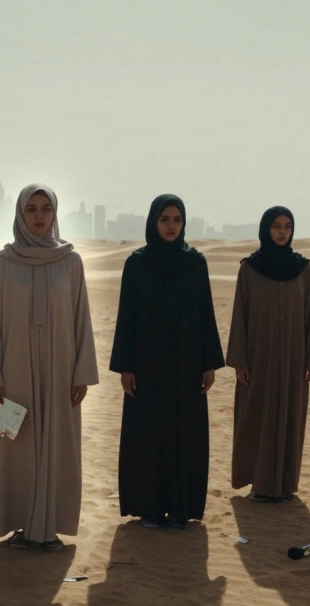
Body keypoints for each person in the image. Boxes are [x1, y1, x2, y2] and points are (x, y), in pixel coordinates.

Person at [0, 184, 98, 551]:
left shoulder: (70, 261)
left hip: (60, 370)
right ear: (20, 213)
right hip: (13, 371)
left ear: (55, 213)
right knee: (15, 443)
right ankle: (17, 524)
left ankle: (51, 527)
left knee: (58, 443)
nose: (39, 215)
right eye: (31, 209)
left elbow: (81, 320)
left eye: (46, 208)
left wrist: (81, 373)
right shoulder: (4, 261)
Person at [109, 194, 223, 529]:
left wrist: (209, 363)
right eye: (164, 220)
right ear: (153, 222)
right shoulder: (137, 263)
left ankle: (181, 508)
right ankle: (150, 508)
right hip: (148, 364)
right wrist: (126, 366)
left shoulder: (195, 262)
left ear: (184, 223)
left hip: (188, 364)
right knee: (149, 435)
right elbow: (126, 318)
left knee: (184, 434)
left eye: (176, 220)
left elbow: (206, 314)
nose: (171, 226)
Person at [226, 206, 310, 502]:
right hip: (259, 359)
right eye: (276, 226)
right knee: (257, 417)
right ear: (265, 230)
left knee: (290, 417)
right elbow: (239, 317)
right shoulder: (250, 269)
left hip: (294, 360)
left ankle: (285, 485)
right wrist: (240, 361)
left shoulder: (302, 269)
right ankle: (258, 483)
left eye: (287, 226)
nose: (282, 231)